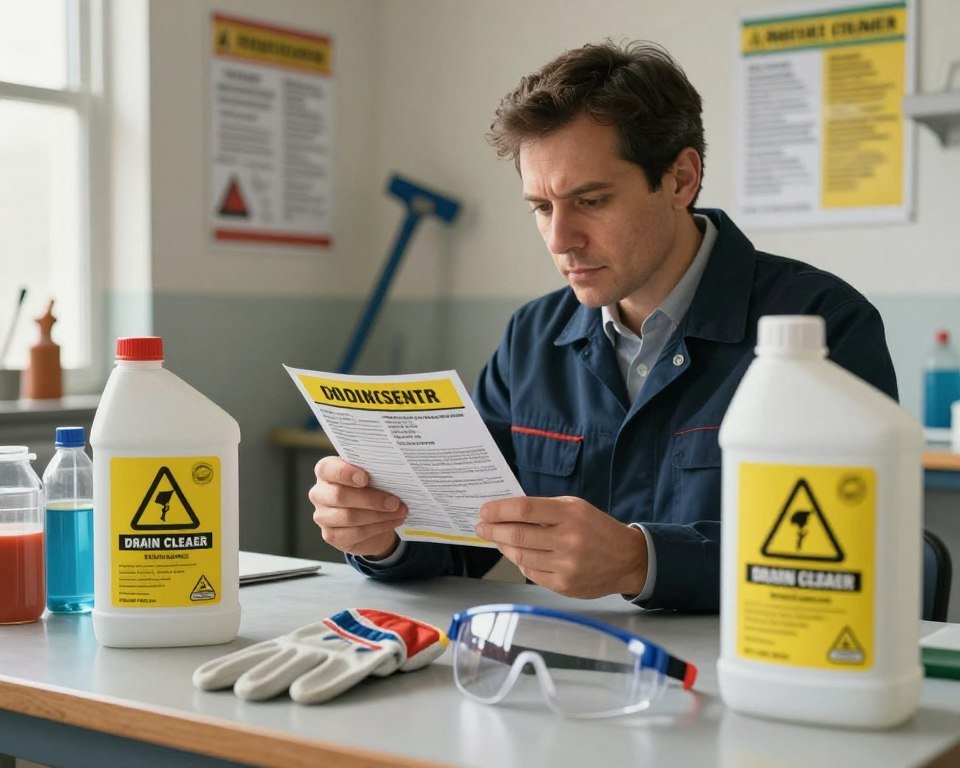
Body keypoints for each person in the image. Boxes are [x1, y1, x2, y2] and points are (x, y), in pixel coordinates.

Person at [309, 40, 897, 612]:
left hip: (759, 675)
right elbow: (464, 537)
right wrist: (383, 535)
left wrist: (643, 561)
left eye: (590, 201)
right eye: (542, 207)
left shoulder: (823, 324)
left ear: (680, 180)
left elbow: (854, 555)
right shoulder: (532, 336)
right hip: (565, 675)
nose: (560, 240)